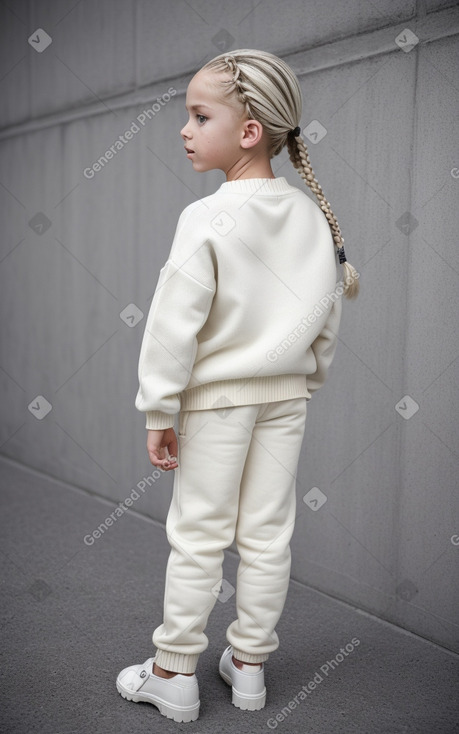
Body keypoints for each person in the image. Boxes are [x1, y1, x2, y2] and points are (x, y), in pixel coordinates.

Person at [116, 48, 359, 723]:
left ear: (248, 131)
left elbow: (172, 326)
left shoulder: (206, 217)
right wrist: (305, 378)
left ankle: (172, 672)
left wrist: (159, 407)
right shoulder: (312, 215)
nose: (185, 129)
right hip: (284, 400)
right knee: (266, 535)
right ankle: (249, 667)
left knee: (197, 535)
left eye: (199, 115)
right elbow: (327, 314)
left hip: (216, 404)